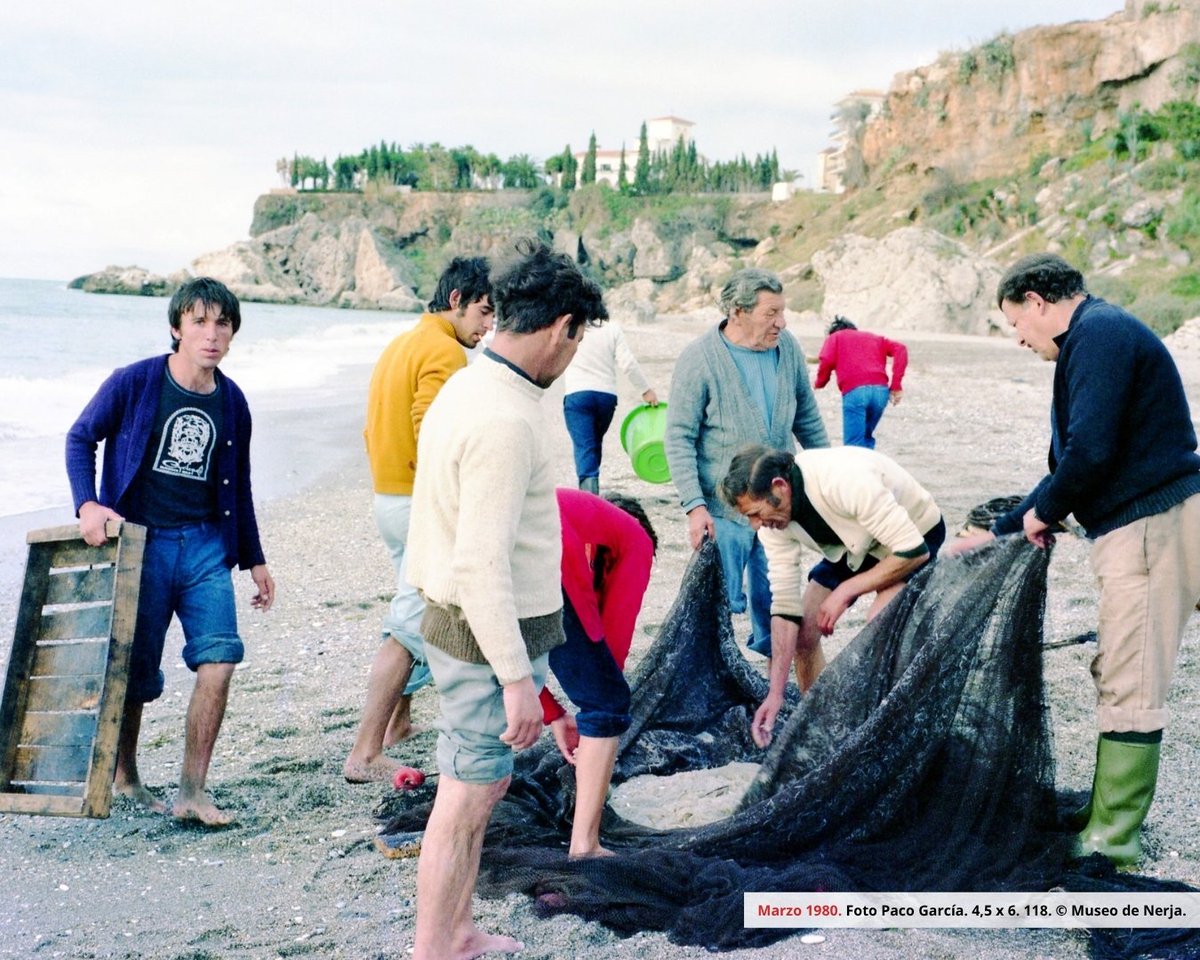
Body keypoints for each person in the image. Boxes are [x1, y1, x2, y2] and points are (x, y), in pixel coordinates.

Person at [950, 253, 1200, 866]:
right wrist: (1008, 527)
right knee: (1122, 667)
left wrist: (1040, 515)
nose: (1017, 337)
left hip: (1150, 527)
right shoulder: (1097, 336)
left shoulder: (1100, 336)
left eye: (1015, 323)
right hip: (1147, 521)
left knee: (1131, 674)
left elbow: (1090, 452)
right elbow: (1069, 465)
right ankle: (1105, 816)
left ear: (1037, 301)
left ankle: (1113, 838)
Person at [405, 241, 608, 959]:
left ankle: (455, 930)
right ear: (562, 327)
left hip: (469, 628)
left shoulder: (476, 384)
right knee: (464, 796)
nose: (572, 354)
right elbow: (481, 563)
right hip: (476, 636)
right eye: (577, 338)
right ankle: (435, 947)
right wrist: (519, 679)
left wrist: (541, 688)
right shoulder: (504, 417)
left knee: (480, 790)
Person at [65, 277, 274, 826]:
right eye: (200, 322)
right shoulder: (134, 383)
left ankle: (192, 791)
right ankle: (126, 775)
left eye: (222, 323)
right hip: (142, 543)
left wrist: (254, 558)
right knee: (139, 673)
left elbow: (239, 484)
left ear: (232, 333)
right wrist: (87, 504)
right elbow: (80, 436)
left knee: (221, 657)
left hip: (206, 545)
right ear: (177, 327)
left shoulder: (233, 401)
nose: (212, 334)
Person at [343, 257, 494, 784]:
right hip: (417, 501)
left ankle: (399, 723)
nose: (488, 325)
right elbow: (434, 433)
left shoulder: (401, 343)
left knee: (417, 608)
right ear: (455, 300)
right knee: (409, 625)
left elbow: (373, 428)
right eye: (482, 311)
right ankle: (365, 752)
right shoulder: (444, 350)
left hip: (387, 495)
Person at [720, 444, 944, 748]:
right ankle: (821, 729)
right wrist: (775, 693)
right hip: (850, 544)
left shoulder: (844, 481)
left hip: (913, 535)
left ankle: (887, 732)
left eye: (757, 514)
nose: (756, 525)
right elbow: (784, 607)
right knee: (804, 633)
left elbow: (913, 551)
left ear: (779, 487)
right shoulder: (773, 521)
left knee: (880, 624)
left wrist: (846, 590)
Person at [665, 267, 829, 658]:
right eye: (770, 313)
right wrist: (694, 506)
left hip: (776, 502)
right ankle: (714, 668)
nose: (781, 322)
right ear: (738, 311)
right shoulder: (699, 359)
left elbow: (807, 417)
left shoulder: (786, 348)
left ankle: (772, 665)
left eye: (782, 312)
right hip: (723, 509)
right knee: (717, 601)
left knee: (775, 594)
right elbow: (678, 437)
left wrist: (827, 472)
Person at [540, 489, 656, 857]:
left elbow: (511, 656)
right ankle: (585, 845)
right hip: (546, 552)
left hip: (492, 546)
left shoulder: (577, 514)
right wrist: (597, 715)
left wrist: (554, 713)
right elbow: (613, 646)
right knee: (608, 702)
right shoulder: (635, 538)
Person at [562, 321, 658, 493]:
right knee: (593, 444)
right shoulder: (612, 329)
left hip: (578, 395)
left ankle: (589, 497)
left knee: (585, 446)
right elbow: (627, 363)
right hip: (606, 397)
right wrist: (645, 390)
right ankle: (591, 491)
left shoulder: (569, 325)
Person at [814, 315, 908, 449]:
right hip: (881, 392)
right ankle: (871, 468)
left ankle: (855, 469)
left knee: (853, 446)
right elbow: (901, 349)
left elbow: (826, 361)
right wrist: (896, 385)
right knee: (866, 439)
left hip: (855, 392)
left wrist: (819, 383)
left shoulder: (835, 337)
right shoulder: (875, 338)